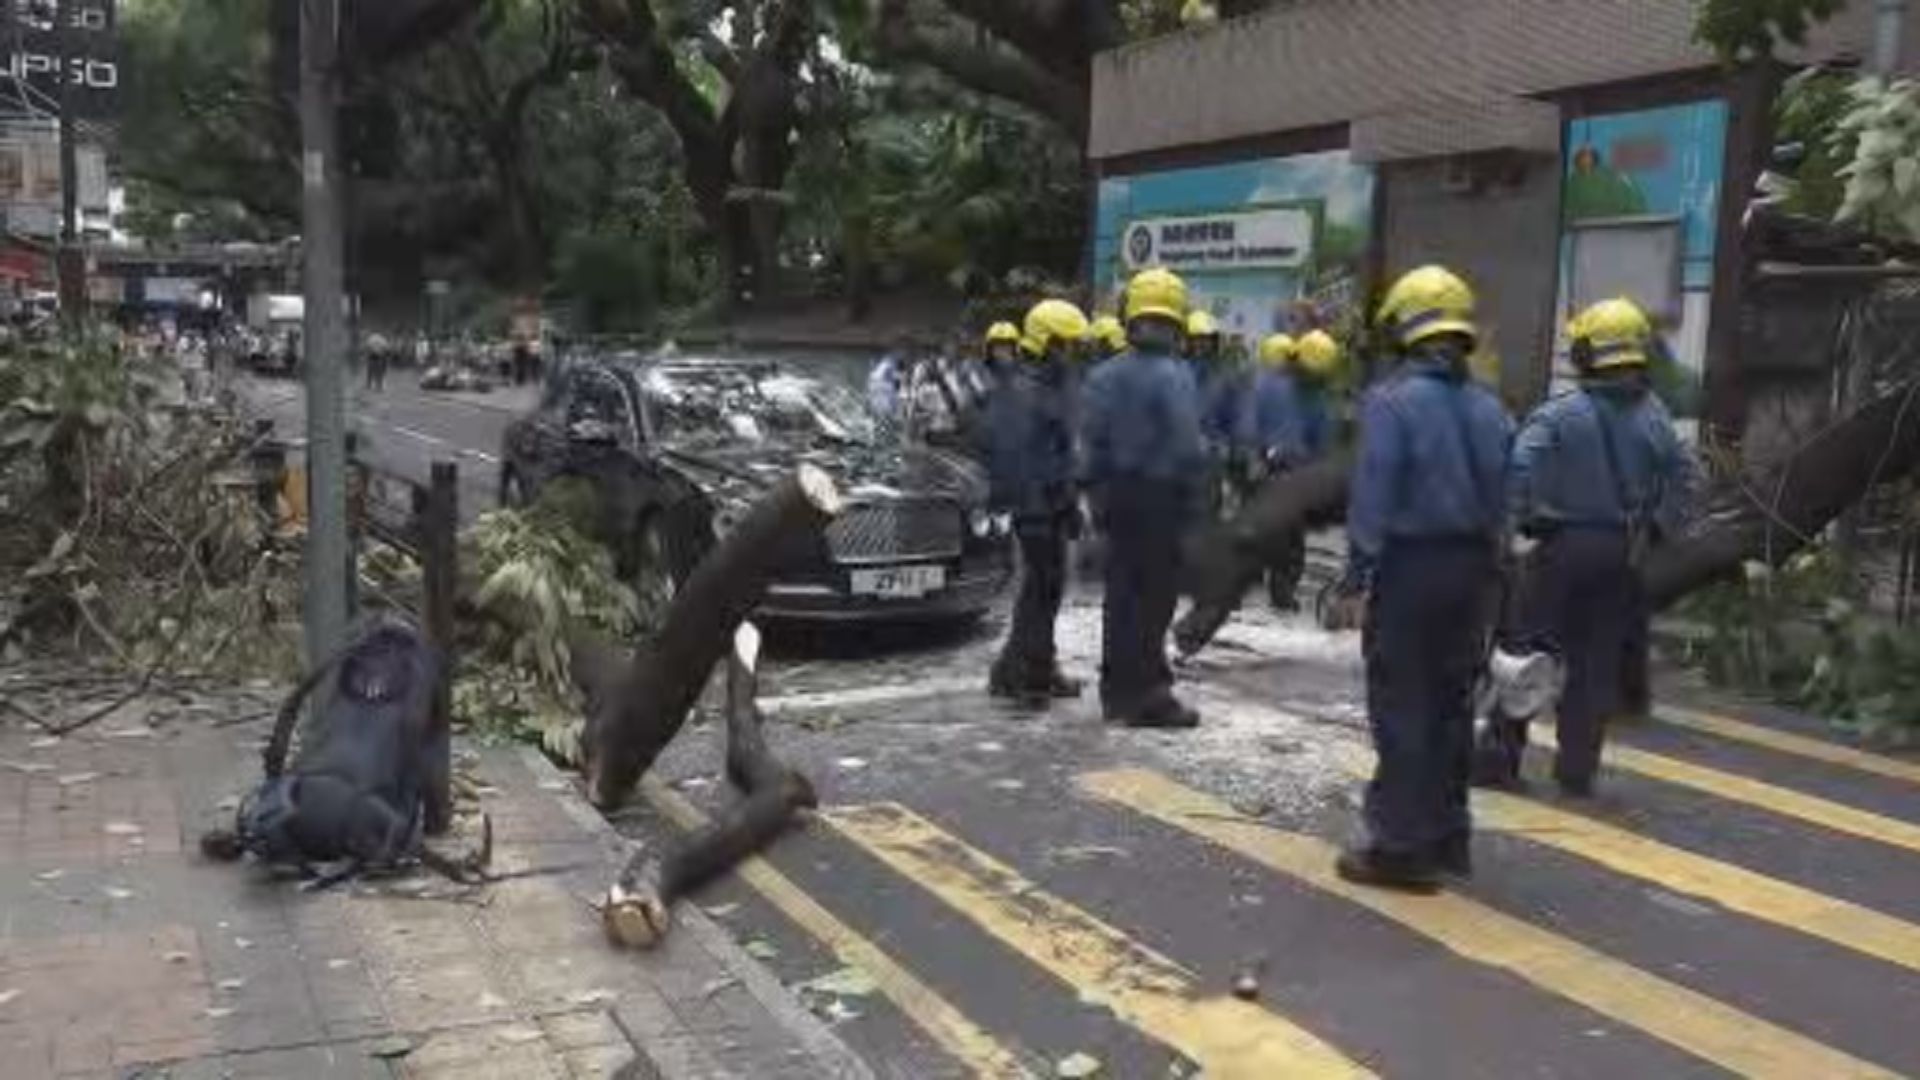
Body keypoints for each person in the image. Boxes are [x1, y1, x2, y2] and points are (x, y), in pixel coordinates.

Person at [1339, 265, 1512, 891]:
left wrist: (1358, 574)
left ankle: (1397, 846)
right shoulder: (1492, 410)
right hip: (1472, 572)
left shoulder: (1391, 403)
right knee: (1450, 703)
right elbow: (1505, 500)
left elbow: (1374, 495)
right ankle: (1446, 834)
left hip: (1412, 569)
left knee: (1402, 703)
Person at [1484, 297, 1698, 796]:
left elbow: (1518, 467)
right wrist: (1661, 528)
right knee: (1595, 664)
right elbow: (1686, 478)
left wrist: (1508, 528)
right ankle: (1577, 771)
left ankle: (1500, 758)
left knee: (1527, 652)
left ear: (1586, 353)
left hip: (1560, 549)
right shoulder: (1656, 417)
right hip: (1621, 555)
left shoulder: (1561, 415)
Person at [1081, 269, 1208, 729]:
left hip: (1115, 497)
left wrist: (1095, 505)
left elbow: (1090, 447)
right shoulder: (1176, 375)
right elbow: (1188, 449)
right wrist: (1198, 510)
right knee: (1155, 601)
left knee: (1121, 599)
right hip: (1161, 501)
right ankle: (1149, 695)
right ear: (1176, 321)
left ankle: (1115, 693)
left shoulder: (1102, 375)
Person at [986, 299, 1090, 707]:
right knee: (1042, 590)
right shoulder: (1024, 390)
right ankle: (1029, 673)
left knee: (1043, 589)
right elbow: (1024, 460)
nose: (1072, 355)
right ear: (1047, 342)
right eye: (1067, 345)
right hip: (1036, 509)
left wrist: (1066, 501)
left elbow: (1060, 451)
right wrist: (1056, 504)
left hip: (1047, 505)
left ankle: (1023, 669)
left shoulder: (1041, 384)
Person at [1242, 330, 1341, 609]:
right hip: (1266, 468)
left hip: (1297, 475)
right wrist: (1254, 455)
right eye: (1309, 372)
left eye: (1318, 375)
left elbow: (1323, 442)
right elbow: (1249, 424)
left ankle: (1283, 591)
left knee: (1291, 541)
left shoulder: (1319, 399)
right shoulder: (1267, 386)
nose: (1312, 379)